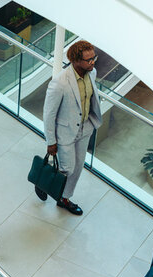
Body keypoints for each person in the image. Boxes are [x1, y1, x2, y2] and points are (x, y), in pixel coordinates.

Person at [36, 40, 102, 215]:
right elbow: (48, 114)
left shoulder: (92, 73)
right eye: (88, 60)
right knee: (67, 168)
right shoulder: (60, 82)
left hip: (85, 128)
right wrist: (51, 141)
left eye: (93, 58)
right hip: (64, 132)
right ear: (75, 61)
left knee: (77, 168)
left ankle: (64, 198)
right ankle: (43, 179)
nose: (92, 62)